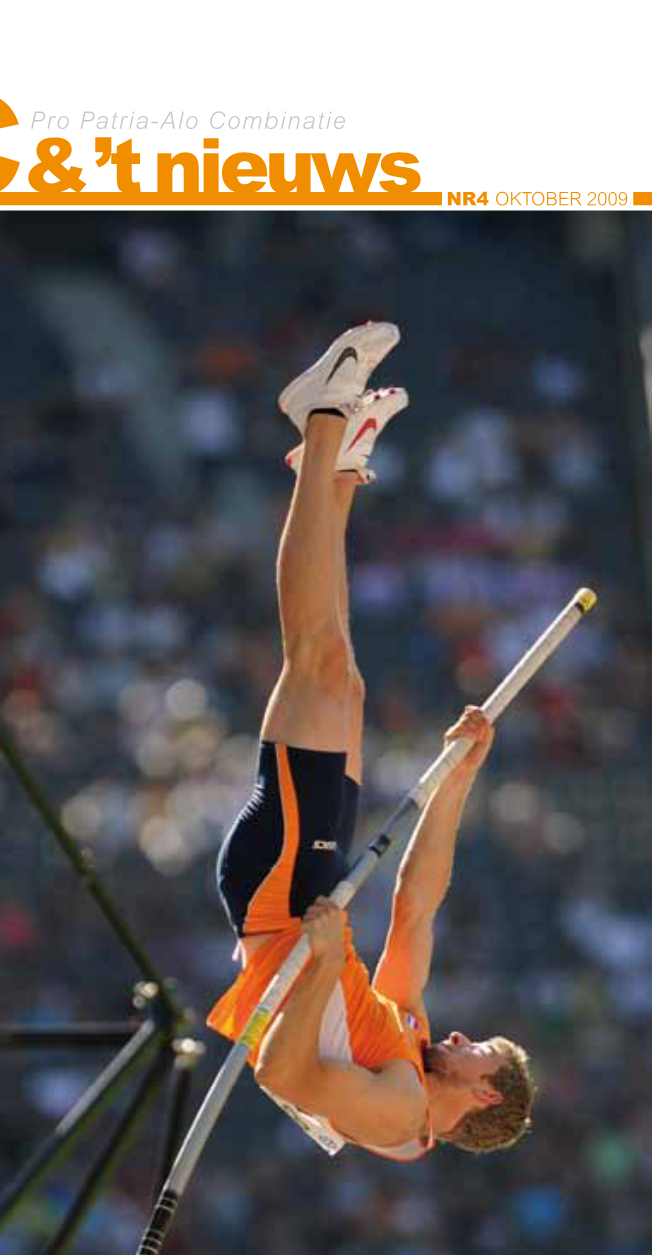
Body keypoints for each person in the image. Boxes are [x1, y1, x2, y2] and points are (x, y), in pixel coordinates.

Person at [208, 321, 535, 1160]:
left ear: (482, 1093)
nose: (458, 1035)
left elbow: (285, 1077)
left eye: (477, 1050)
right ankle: (340, 466)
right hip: (310, 890)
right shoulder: (407, 1035)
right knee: (340, 679)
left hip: (281, 901)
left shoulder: (397, 1112)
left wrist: (319, 963)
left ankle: (317, 419)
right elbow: (417, 908)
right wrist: (460, 778)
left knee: (316, 660)